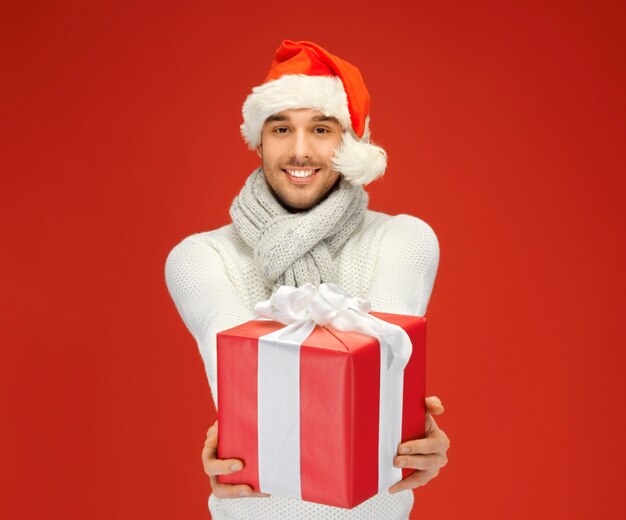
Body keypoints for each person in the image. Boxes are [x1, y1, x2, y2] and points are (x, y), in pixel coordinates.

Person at [165, 40, 450, 520]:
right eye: (281, 129)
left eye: (321, 128)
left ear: (350, 142)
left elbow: (379, 369)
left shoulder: (404, 239)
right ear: (258, 140)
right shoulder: (200, 257)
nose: (300, 150)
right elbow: (244, 383)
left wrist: (417, 433)